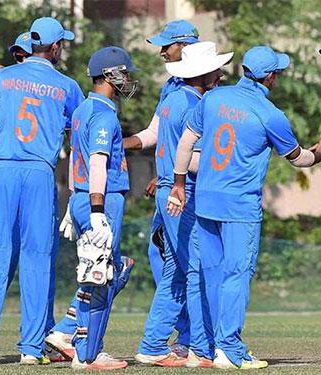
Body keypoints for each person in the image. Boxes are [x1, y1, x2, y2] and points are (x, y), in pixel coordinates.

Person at [169, 45, 321, 369]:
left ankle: (209, 346)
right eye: (277, 73)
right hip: (239, 208)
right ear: (269, 77)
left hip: (207, 201)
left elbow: (185, 143)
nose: (278, 78)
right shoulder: (271, 115)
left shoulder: (212, 99)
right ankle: (229, 348)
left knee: (211, 275)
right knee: (236, 275)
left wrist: (179, 185)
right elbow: (299, 159)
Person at [0, 17, 84, 365]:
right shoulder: (67, 86)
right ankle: (31, 348)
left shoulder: (2, 78)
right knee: (38, 258)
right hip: (40, 173)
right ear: (55, 47)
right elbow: (78, 140)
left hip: (2, 167)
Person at [135, 41, 233, 368]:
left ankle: (152, 345)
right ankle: (200, 349)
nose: (220, 73)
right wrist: (222, 169)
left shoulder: (172, 99)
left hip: (166, 190)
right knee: (197, 270)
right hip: (182, 192)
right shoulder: (195, 105)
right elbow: (190, 160)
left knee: (175, 272)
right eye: (216, 68)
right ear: (204, 73)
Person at [53, 46, 138, 371]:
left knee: (96, 275)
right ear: (109, 74)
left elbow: (77, 159)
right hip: (101, 199)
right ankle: (88, 354)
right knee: (103, 276)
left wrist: (74, 203)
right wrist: (97, 210)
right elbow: (97, 162)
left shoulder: (82, 110)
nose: (127, 79)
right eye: (124, 72)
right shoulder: (104, 114)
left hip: (83, 197)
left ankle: (69, 335)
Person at [123, 20, 200, 355]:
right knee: (182, 266)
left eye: (167, 45)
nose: (162, 51)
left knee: (183, 267)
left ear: (185, 46)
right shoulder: (172, 86)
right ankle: (189, 340)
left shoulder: (203, 90)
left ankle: (181, 340)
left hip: (184, 188)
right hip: (175, 190)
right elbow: (155, 133)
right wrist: (120, 143)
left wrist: (174, 171)